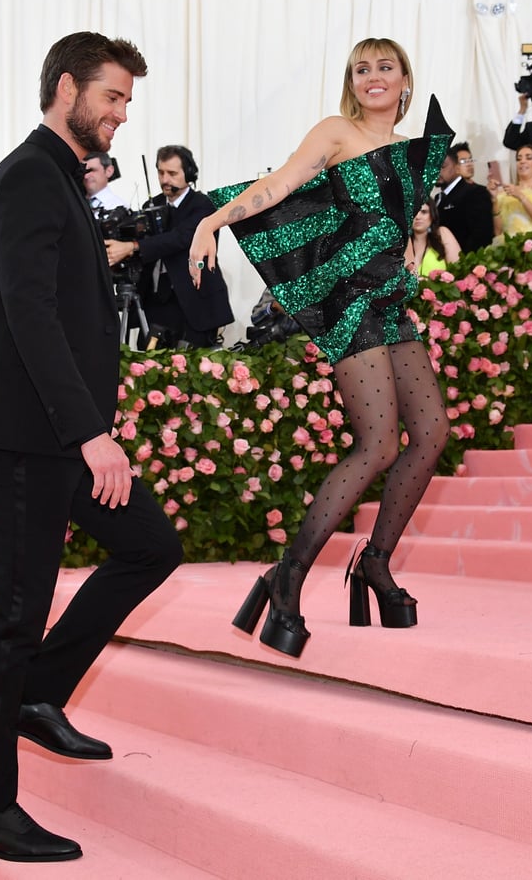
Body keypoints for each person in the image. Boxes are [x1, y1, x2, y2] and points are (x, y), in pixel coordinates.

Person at [0, 31, 182, 863]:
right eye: (112, 97)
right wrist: (93, 433)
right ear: (66, 89)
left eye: (126, 101)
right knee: (14, 614)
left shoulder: (53, 177)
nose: (123, 114)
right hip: (28, 436)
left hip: (60, 434)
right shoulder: (22, 178)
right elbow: (30, 314)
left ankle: (38, 694)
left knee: (150, 546)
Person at [190, 37, 451, 659]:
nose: (373, 77)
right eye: (361, 69)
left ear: (405, 80)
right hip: (347, 298)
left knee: (433, 430)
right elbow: (279, 185)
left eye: (385, 67)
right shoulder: (336, 131)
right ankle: (288, 577)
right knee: (378, 442)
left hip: (390, 299)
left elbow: (400, 223)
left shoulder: (412, 152)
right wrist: (211, 222)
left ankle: (374, 564)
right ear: (351, 83)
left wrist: (413, 249)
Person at [105, 145, 234, 348]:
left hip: (194, 303)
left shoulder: (203, 205)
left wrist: (132, 246)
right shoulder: (151, 206)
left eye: (172, 173)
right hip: (156, 303)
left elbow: (180, 238)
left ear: (189, 174)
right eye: (161, 172)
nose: (165, 179)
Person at [488, 145, 532, 241]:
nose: (522, 161)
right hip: (508, 247)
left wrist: (521, 196)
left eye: (529, 158)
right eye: (518, 159)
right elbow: (498, 232)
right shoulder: (504, 192)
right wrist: (494, 200)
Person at [433, 147, 494, 254]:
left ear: (457, 167)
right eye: (433, 167)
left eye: (442, 166)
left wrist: (462, 263)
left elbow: (482, 236)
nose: (436, 171)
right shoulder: (438, 198)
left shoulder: (476, 193)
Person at [405, 197, 461, 277]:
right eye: (414, 213)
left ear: (432, 214)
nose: (418, 217)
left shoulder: (442, 233)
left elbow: (459, 271)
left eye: (424, 212)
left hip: (442, 289)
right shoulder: (403, 243)